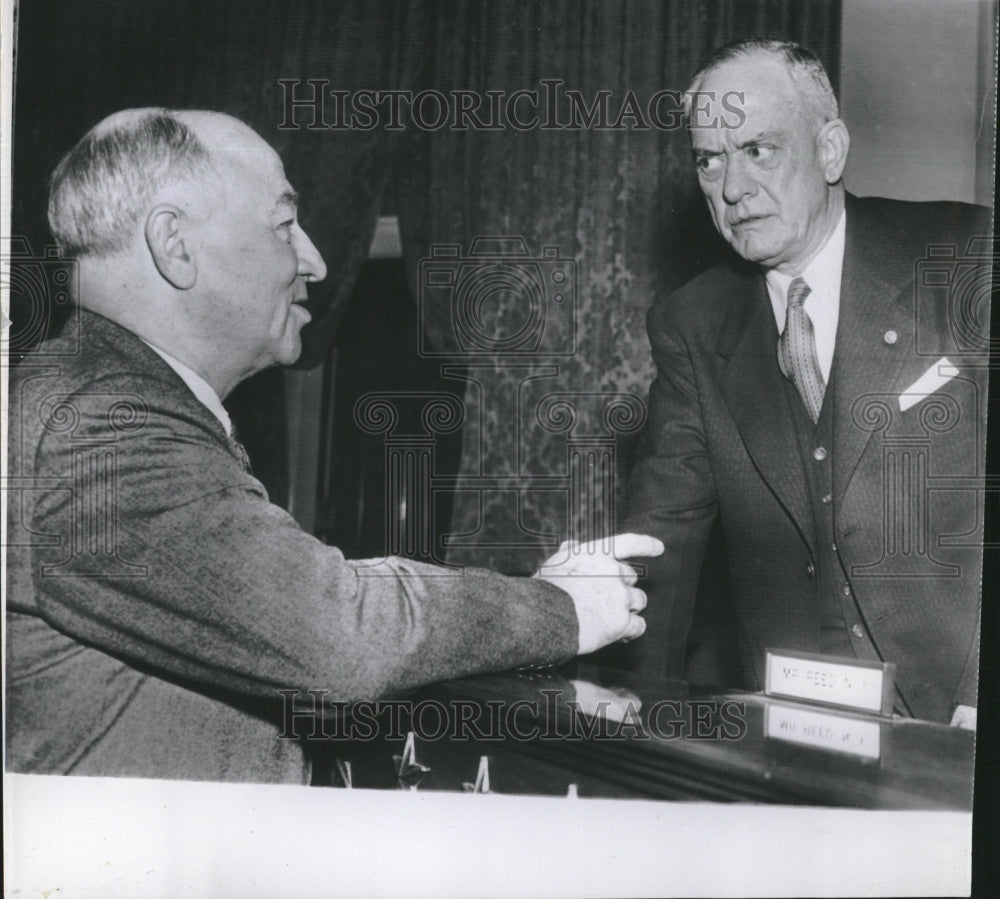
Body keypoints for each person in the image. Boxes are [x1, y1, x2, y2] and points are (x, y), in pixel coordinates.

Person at [6, 108, 658, 782]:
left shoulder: (96, 399)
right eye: (285, 225)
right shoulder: (97, 427)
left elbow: (306, 591)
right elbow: (336, 631)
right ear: (175, 245)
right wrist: (562, 608)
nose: (313, 260)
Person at [625, 38, 991, 726]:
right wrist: (629, 723)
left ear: (830, 150)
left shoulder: (967, 258)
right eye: (709, 159)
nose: (731, 188)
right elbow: (659, 547)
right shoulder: (691, 324)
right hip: (796, 729)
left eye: (757, 149)